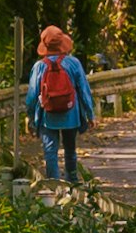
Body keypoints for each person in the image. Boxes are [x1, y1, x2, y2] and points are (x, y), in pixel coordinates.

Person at [27, 21, 95, 185]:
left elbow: (31, 97)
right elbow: (84, 91)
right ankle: (72, 183)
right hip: (71, 114)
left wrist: (30, 118)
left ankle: (54, 186)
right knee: (70, 149)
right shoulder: (73, 63)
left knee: (50, 151)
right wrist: (90, 114)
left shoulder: (39, 67)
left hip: (47, 116)